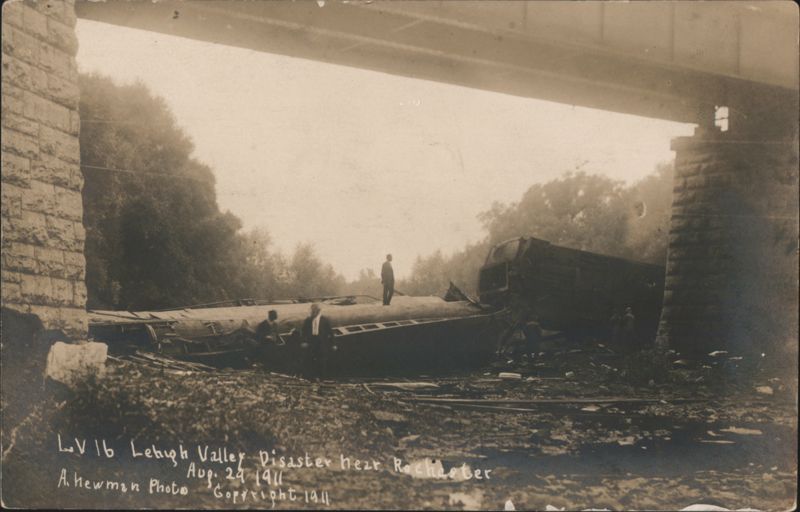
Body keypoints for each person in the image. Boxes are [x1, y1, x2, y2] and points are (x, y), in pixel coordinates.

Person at [302, 302, 334, 379]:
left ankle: (322, 377)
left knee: (322, 359)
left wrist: (333, 344)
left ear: (318, 311)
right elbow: (303, 332)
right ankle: (311, 377)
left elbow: (330, 332)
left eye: (314, 310)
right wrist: (304, 341)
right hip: (311, 341)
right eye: (312, 310)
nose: (312, 312)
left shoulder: (324, 320)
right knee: (310, 359)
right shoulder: (308, 320)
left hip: (322, 342)